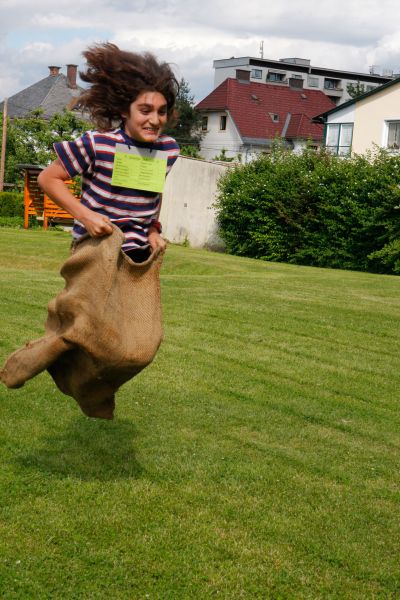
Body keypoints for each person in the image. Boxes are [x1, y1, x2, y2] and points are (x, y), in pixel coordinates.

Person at [38, 42, 180, 262]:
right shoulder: (97, 143)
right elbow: (48, 179)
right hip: (95, 250)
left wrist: (153, 229)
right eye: (145, 111)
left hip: (139, 256)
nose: (155, 120)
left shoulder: (167, 149)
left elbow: (153, 193)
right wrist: (86, 217)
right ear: (124, 110)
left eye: (161, 112)